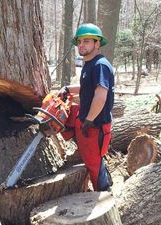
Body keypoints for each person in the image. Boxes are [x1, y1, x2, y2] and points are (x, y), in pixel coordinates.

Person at [58, 23, 114, 191]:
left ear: (97, 44)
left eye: (87, 41)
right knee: (93, 159)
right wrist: (68, 89)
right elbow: (87, 88)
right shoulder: (89, 65)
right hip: (86, 120)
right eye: (80, 41)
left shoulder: (100, 65)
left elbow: (100, 95)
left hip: (95, 125)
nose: (81, 45)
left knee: (93, 164)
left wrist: (89, 120)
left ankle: (103, 194)